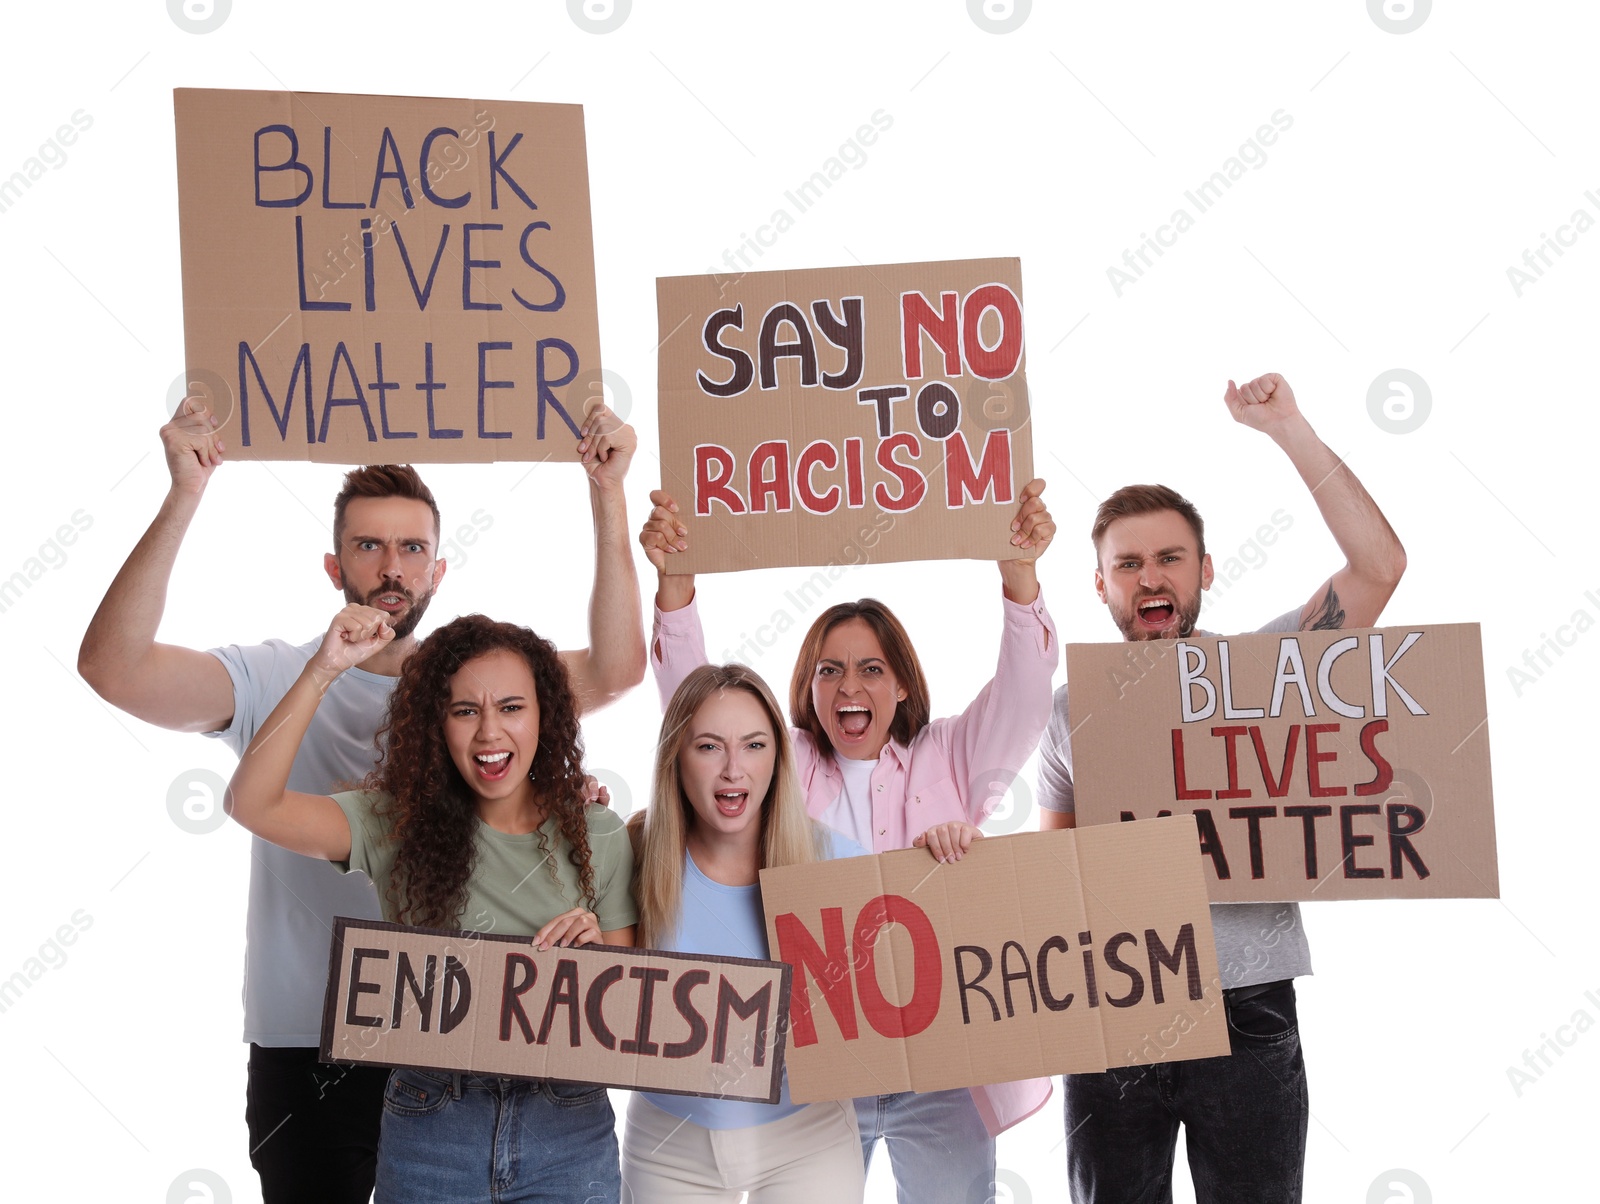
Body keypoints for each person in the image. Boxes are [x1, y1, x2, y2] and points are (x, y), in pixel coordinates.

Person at [76, 397, 645, 1203]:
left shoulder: (479, 685)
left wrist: (606, 491)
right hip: (310, 1043)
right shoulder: (272, 676)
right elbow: (112, 669)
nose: (392, 567)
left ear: (438, 571)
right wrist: (185, 494)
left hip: (475, 1044)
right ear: (334, 565)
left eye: (413, 548)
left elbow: (619, 669)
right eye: (368, 546)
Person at [1036, 372, 1407, 1204]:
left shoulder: (1265, 675)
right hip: (1114, 1009)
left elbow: (1380, 567)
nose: (1150, 578)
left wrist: (1289, 429)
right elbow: (1050, 878)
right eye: (1127, 564)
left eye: (1169, 558)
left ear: (1203, 569)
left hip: (1247, 1014)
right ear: (1101, 585)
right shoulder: (1069, 713)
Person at [639, 481, 1059, 1204]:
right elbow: (699, 709)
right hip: (813, 1063)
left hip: (937, 1069)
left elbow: (1025, 694)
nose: (848, 686)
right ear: (807, 685)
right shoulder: (787, 763)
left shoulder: (952, 756)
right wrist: (676, 589)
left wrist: (1018, 576)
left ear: (900, 685)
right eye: (829, 670)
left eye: (870, 669)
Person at [225, 607, 636, 1202]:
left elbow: (625, 1018)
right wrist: (323, 669)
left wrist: (595, 957)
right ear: (435, 724)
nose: (489, 732)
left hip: (567, 1129)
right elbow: (251, 803)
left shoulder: (599, 833)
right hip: (432, 1123)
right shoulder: (395, 823)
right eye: (464, 711)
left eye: (512, 708)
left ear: (546, 716)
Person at [621, 663, 866, 1203]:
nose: (734, 769)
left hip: (808, 1137)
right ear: (675, 759)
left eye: (753, 745)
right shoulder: (630, 855)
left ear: (777, 757)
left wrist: (951, 856)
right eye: (709, 747)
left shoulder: (837, 861)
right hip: (670, 1139)